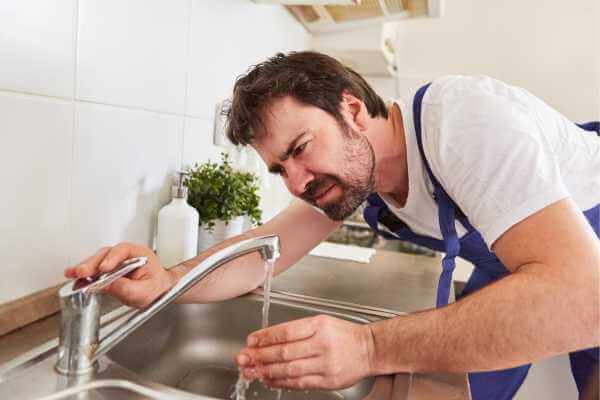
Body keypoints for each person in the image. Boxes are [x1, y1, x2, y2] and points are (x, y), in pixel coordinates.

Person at [64, 51, 600, 400]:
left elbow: (582, 299)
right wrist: (166, 281)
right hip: (526, 265)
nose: (296, 182)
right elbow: (260, 254)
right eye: (280, 169)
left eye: (300, 149)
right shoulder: (356, 177)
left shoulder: (461, 122)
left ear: (350, 109)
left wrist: (367, 348)